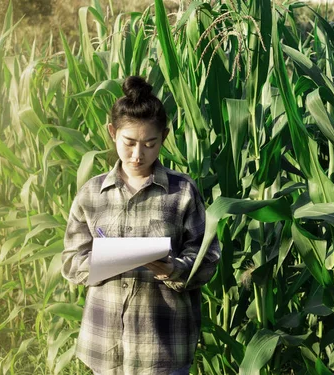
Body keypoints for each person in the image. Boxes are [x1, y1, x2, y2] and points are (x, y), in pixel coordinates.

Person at [61, 76, 220, 375]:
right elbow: (71, 261)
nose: (138, 154)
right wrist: (105, 260)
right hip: (105, 348)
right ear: (112, 132)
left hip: (162, 347)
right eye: (129, 143)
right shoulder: (92, 194)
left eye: (150, 144)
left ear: (165, 136)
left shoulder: (182, 191)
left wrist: (173, 269)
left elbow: (207, 257)